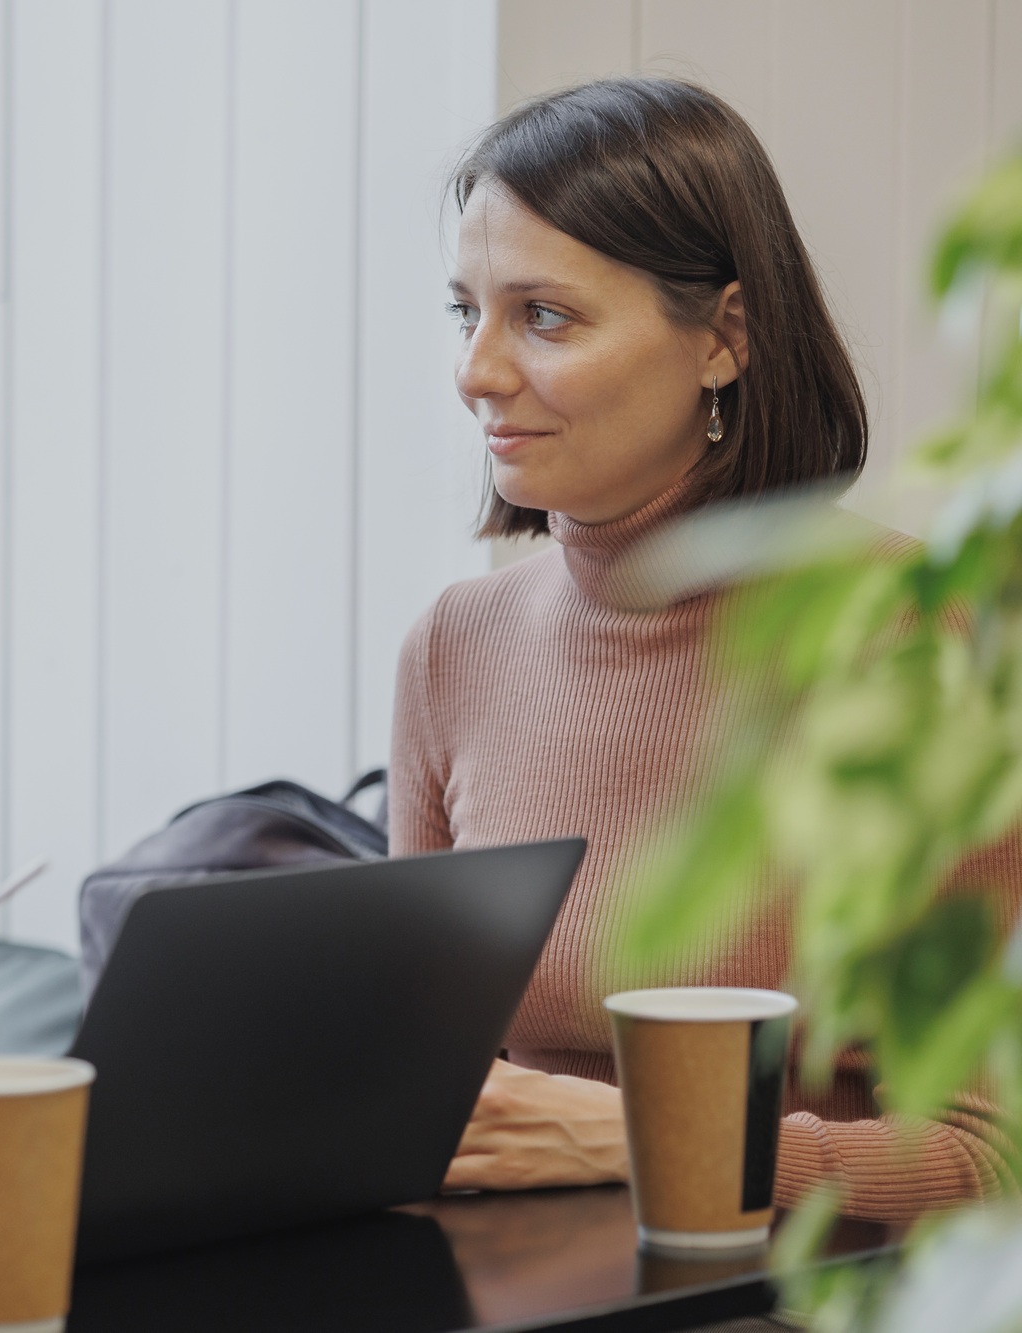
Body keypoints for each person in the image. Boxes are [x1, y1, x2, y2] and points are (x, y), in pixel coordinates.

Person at [393, 76, 1021, 1221]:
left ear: (722, 340)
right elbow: (425, 1077)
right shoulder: (452, 647)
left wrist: (649, 1136)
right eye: (463, 312)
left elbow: (992, 1154)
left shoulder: (918, 638)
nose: (475, 369)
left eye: (543, 316)